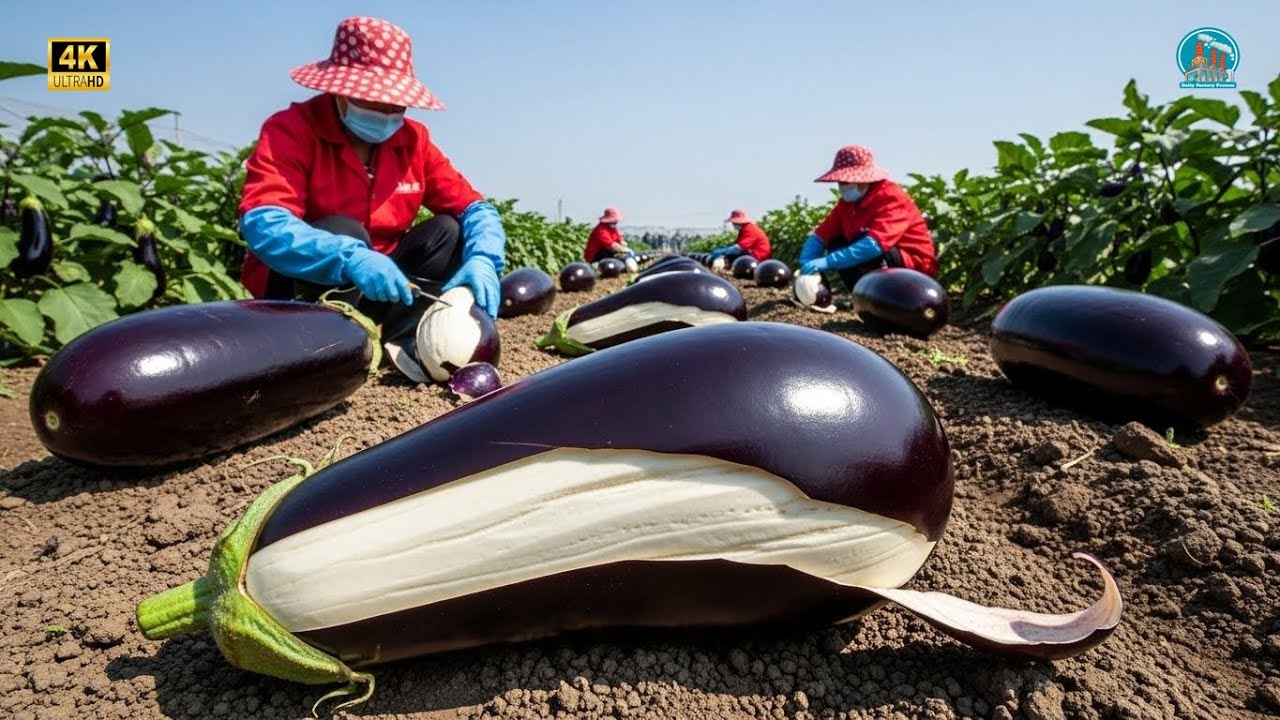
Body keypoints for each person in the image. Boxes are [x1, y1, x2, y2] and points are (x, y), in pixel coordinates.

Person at [237, 16, 507, 361]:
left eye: (395, 105)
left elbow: (473, 206)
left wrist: (484, 255)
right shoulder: (290, 130)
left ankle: (406, 339)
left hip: (387, 284)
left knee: (448, 231)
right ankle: (324, 350)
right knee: (343, 229)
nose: (386, 112)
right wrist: (348, 256)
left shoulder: (414, 141)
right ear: (340, 91)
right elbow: (264, 224)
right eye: (372, 101)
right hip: (302, 287)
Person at [797, 145, 937, 290]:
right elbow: (821, 235)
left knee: (867, 248)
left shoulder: (891, 197)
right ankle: (861, 294)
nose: (841, 187)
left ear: (863, 181)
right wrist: (807, 260)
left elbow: (874, 245)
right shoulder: (846, 205)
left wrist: (828, 261)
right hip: (880, 255)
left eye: (845, 182)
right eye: (840, 182)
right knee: (836, 243)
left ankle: (886, 295)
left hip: (913, 265)